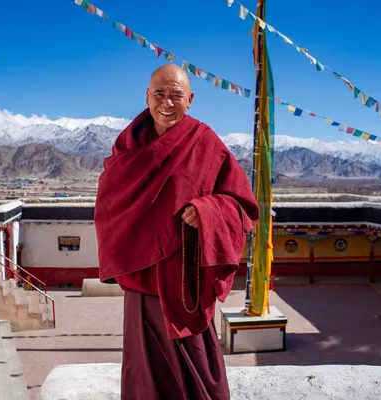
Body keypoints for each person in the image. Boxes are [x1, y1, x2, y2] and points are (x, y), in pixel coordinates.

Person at [94, 64, 259, 400]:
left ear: (191, 99)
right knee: (145, 365)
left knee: (196, 363)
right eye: (159, 94)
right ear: (147, 96)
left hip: (183, 277)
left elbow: (243, 206)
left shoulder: (205, 142)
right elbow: (111, 201)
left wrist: (209, 211)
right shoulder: (128, 146)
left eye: (176, 95)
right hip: (142, 277)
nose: (166, 103)